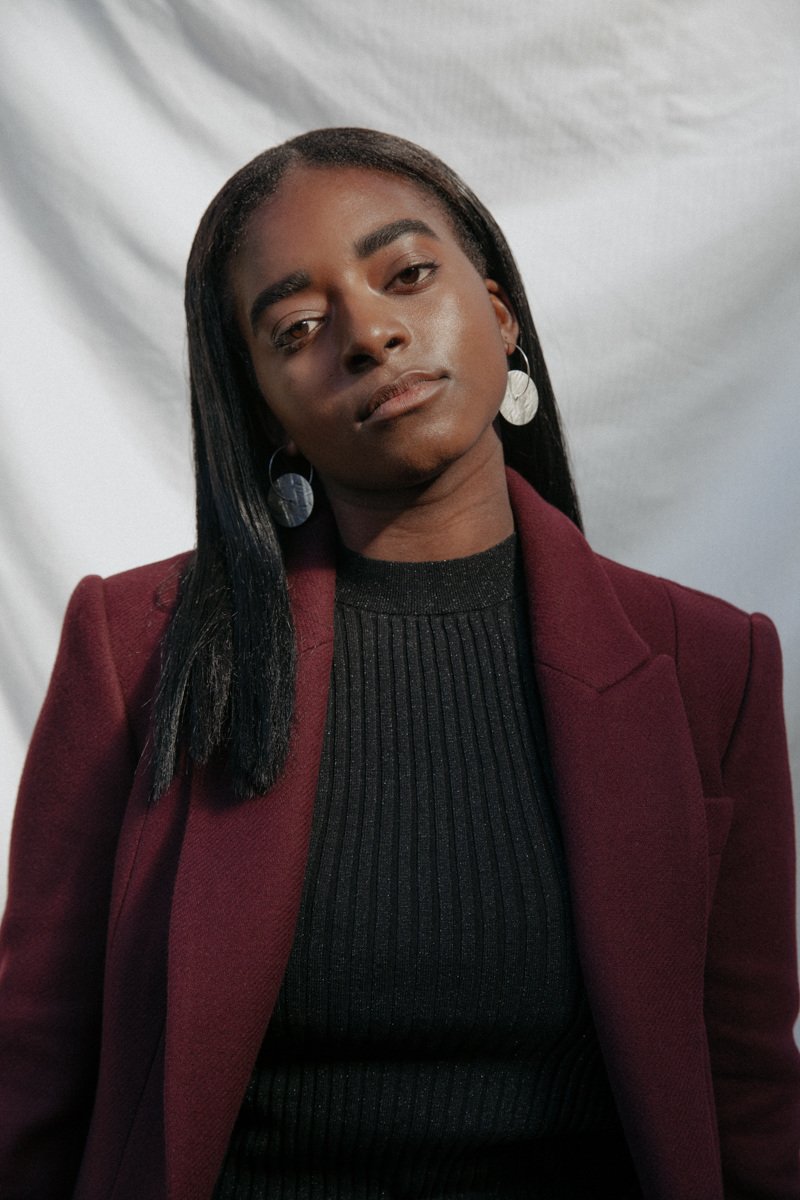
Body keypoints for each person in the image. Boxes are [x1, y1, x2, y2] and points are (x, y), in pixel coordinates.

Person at [0, 128, 797, 1200]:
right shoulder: (134, 649)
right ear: (264, 412)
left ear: (499, 313)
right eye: (297, 327)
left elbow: (746, 1097)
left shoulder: (709, 666)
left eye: (406, 275)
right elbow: (32, 1070)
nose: (368, 333)